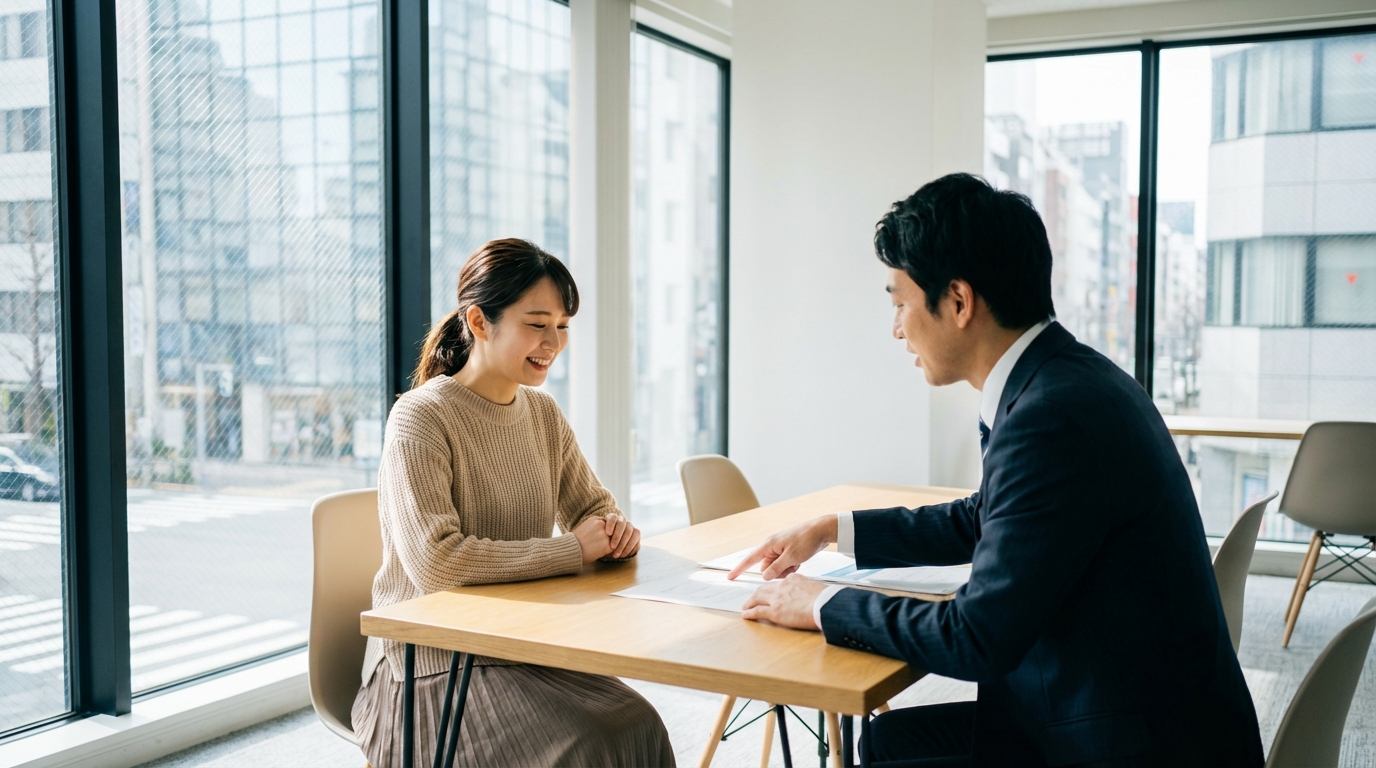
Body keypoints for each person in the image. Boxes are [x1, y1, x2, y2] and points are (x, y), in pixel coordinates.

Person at [730, 174, 1263, 767]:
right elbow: (987, 516)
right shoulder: (1067, 378)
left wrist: (822, 604)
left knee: (886, 750)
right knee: (884, 742)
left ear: (958, 302)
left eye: (900, 303)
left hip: (1131, 743)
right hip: (1124, 707)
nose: (896, 327)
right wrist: (833, 529)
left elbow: (976, 637)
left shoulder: (1050, 416)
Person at [352, 238, 675, 768]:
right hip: (430, 665)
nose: (554, 342)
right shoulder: (421, 417)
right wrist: (572, 550)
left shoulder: (542, 413)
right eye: (537, 323)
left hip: (520, 641)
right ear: (479, 322)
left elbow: (593, 509)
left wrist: (615, 532)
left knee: (637, 723)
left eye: (562, 326)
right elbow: (437, 563)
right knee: (591, 740)